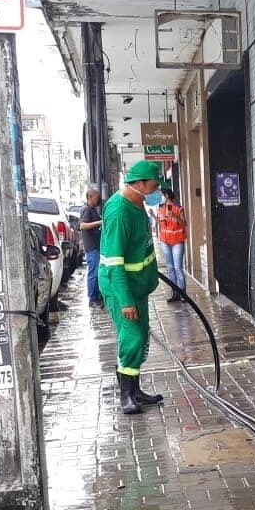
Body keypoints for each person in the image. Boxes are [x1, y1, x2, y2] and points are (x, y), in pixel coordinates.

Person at [98, 160, 165, 415]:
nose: (156, 190)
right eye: (154, 185)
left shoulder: (138, 205)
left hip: (138, 287)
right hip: (120, 289)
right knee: (132, 337)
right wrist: (125, 301)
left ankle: (135, 390)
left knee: (142, 335)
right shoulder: (119, 212)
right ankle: (125, 394)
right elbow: (114, 263)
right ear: (138, 184)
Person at [156, 184, 188, 302]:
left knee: (178, 268)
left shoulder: (178, 208)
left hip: (177, 242)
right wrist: (155, 217)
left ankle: (183, 293)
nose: (161, 198)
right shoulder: (160, 208)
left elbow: (185, 224)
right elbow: (161, 224)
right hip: (165, 241)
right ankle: (175, 293)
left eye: (162, 195)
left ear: (167, 195)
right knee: (170, 268)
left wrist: (176, 217)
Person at [78, 186, 103, 308]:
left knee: (97, 272)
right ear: (90, 197)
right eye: (96, 198)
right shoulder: (86, 209)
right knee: (93, 273)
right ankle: (93, 299)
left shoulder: (92, 209)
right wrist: (99, 223)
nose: (98, 200)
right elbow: (82, 226)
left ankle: (97, 296)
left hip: (96, 246)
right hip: (91, 247)